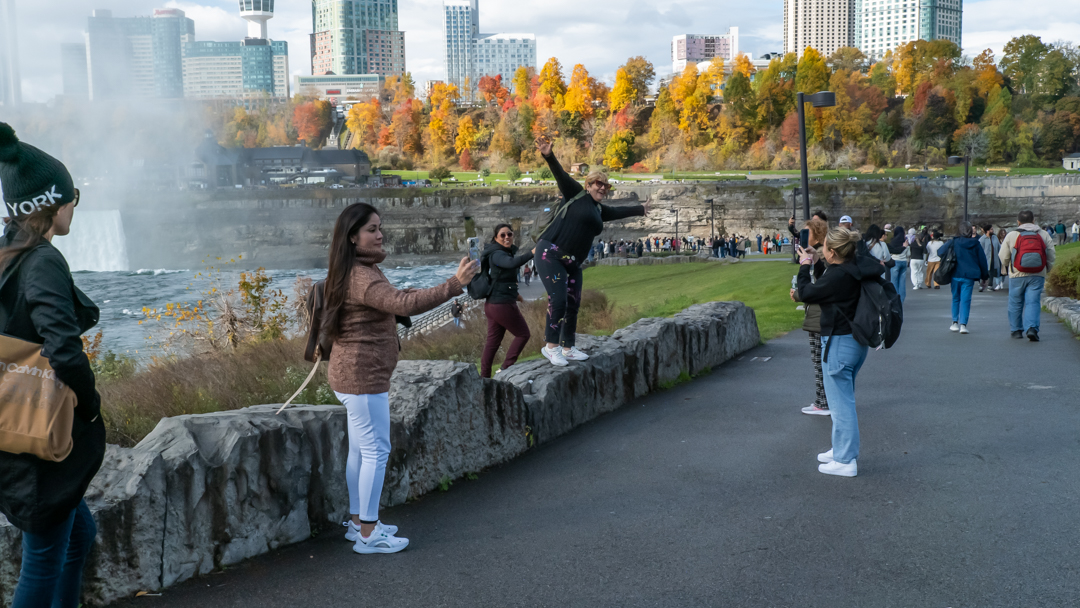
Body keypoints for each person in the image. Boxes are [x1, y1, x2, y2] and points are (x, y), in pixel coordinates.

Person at [324, 202, 477, 554]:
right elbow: (404, 305)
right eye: (372, 229)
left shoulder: (356, 269)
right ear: (352, 237)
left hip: (352, 374)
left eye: (380, 227)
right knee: (377, 450)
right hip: (362, 377)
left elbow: (397, 300)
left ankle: (358, 522)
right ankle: (368, 534)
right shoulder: (362, 276)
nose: (380, 235)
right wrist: (454, 284)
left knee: (361, 452)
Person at [0, 122, 106, 607]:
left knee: (78, 536)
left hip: (12, 427)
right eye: (71, 197)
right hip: (36, 434)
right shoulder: (41, 260)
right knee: (42, 559)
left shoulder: (7, 255)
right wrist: (89, 405)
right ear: (49, 203)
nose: (73, 207)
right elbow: (63, 348)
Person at [534, 136, 646, 366]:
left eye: (606, 186)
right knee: (558, 299)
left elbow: (619, 211)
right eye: (599, 184)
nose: (603, 188)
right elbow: (560, 174)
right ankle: (551, 346)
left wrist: (642, 209)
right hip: (551, 253)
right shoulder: (576, 194)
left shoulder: (598, 209)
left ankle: (568, 347)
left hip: (573, 262)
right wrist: (548, 155)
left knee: (573, 302)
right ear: (589, 185)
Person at [796, 227, 879, 478]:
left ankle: (845, 461)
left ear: (832, 252)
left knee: (841, 405)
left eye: (824, 248)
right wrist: (818, 261)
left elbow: (806, 292)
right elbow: (828, 282)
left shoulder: (838, 276)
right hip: (854, 342)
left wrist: (804, 265)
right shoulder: (853, 268)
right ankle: (840, 449)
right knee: (840, 400)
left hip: (840, 343)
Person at [480, 224, 533, 378]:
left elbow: (502, 278)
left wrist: (516, 295)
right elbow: (511, 264)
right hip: (501, 304)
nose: (506, 237)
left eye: (509, 234)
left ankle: (484, 378)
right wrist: (532, 253)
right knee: (523, 334)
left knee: (492, 343)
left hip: (493, 304)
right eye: (502, 235)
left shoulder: (502, 252)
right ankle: (506, 368)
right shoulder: (497, 254)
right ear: (496, 238)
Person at [789, 218, 831, 416]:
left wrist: (799, 293)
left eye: (806, 233)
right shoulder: (821, 253)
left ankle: (823, 403)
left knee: (820, 362)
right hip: (820, 314)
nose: (802, 236)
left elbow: (819, 288)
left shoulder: (824, 252)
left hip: (819, 316)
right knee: (823, 362)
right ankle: (825, 401)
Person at [999, 210, 1056, 341]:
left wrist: (1007, 266)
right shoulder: (1043, 234)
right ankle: (1032, 328)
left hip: (1016, 274)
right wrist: (1048, 268)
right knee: (1033, 302)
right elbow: (1051, 254)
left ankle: (1016, 330)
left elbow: (1003, 255)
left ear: (1018, 222)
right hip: (1037, 274)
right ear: (1033, 220)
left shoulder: (1012, 235)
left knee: (1015, 302)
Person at [937, 222, 988, 335]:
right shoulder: (976, 244)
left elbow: (940, 252)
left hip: (955, 273)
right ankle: (963, 325)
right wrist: (985, 277)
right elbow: (983, 261)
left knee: (955, 298)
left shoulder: (954, 242)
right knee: (966, 300)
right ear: (970, 231)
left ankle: (954, 322)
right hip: (969, 275)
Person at [887, 224, 910, 302]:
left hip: (894, 262)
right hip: (903, 262)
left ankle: (895, 300)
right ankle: (901, 300)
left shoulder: (892, 242)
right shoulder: (905, 242)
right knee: (902, 283)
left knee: (894, 282)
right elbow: (909, 254)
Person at [978, 224, 1002, 292]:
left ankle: (990, 285)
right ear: (987, 231)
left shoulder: (995, 237)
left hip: (993, 258)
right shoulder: (982, 239)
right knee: (984, 272)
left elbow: (999, 247)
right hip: (985, 259)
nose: (993, 230)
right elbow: (980, 250)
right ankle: (981, 285)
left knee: (991, 272)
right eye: (991, 229)